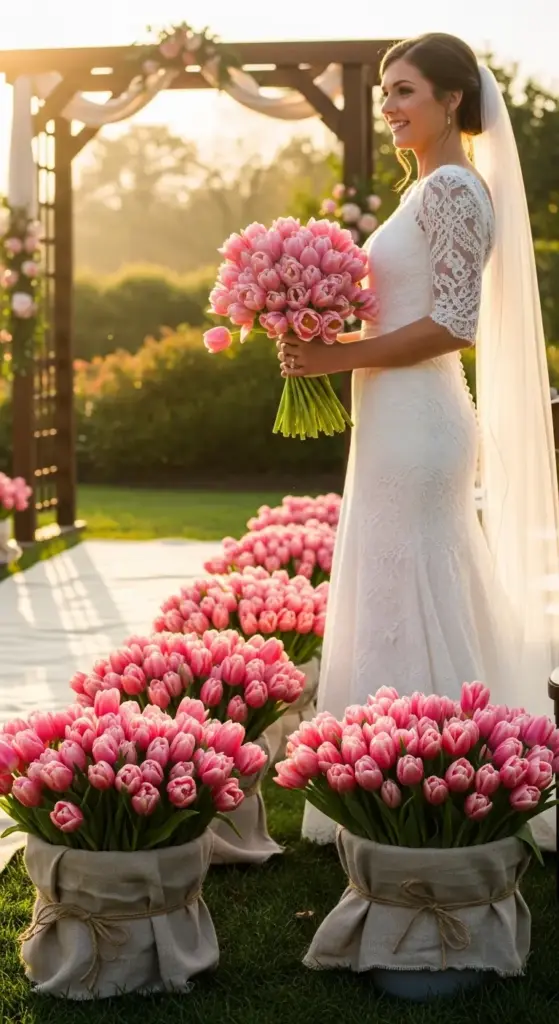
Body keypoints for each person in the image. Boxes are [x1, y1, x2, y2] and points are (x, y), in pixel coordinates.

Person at [277, 33, 559, 847]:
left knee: (415, 584)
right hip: (390, 416)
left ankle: (436, 774)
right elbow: (402, 304)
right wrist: (307, 308)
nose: (390, 107)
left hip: (422, 422)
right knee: (393, 582)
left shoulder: (452, 194)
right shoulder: (423, 189)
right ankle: (399, 770)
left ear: (452, 101)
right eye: (386, 93)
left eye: (404, 91)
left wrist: (337, 356)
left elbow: (451, 327)